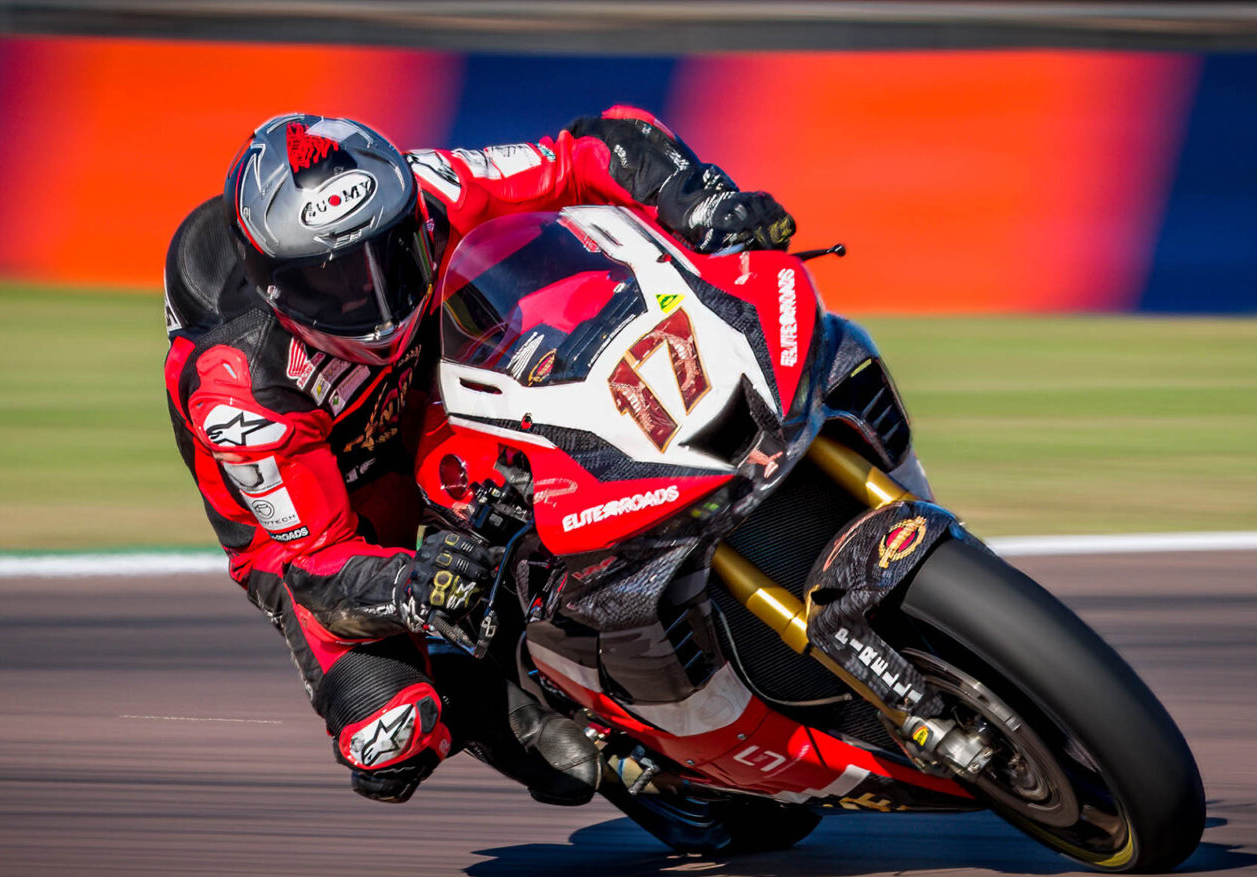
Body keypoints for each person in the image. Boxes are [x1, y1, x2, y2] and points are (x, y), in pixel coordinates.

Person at [162, 106, 795, 804]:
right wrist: (411, 585)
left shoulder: (429, 190)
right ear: (276, 290)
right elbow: (313, 564)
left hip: (432, 388)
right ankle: (473, 690)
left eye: (390, 253)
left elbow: (585, 151)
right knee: (389, 738)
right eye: (332, 284)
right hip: (332, 506)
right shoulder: (240, 390)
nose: (375, 295)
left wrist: (697, 198)